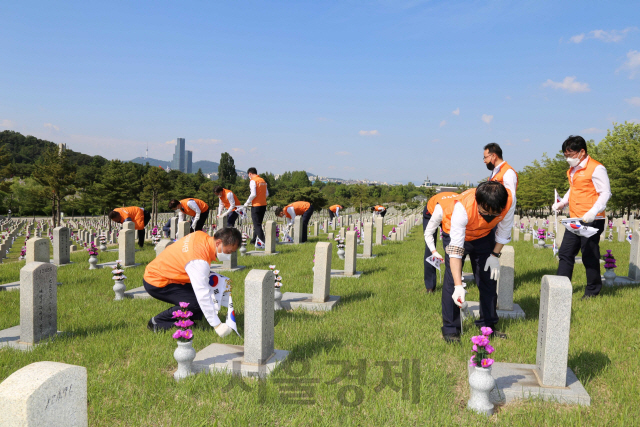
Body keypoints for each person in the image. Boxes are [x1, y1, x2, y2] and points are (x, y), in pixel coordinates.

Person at [424, 181, 515, 343]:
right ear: (478, 202)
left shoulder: (509, 200)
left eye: (494, 214)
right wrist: (459, 286)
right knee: (452, 281)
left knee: (488, 280)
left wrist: (495, 255)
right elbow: (456, 251)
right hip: (457, 236)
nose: (489, 217)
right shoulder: (462, 208)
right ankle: (451, 329)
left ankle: (488, 326)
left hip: (484, 236)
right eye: (484, 212)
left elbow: (504, 230)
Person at [143, 227, 242, 336]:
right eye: (228, 251)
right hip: (157, 281)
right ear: (218, 242)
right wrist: (217, 325)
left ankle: (188, 320)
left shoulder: (201, 235)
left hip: (167, 274)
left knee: (206, 293)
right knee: (195, 303)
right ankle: (158, 321)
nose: (229, 255)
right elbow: (202, 295)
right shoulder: (198, 261)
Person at [552, 135, 611, 300]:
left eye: (571, 154)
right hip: (575, 219)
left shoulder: (596, 168)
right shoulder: (572, 170)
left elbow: (605, 192)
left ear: (582, 152)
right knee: (565, 253)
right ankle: (560, 289)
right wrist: (563, 202)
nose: (568, 158)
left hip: (592, 219)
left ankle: (592, 291)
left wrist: (593, 211)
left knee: (589, 254)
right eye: (566, 155)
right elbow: (574, 189)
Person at [423, 192, 461, 293]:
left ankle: (453, 282)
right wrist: (434, 251)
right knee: (429, 248)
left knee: (455, 247)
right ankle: (430, 286)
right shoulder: (439, 211)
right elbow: (428, 233)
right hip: (432, 211)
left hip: (448, 209)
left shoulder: (463, 209)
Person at [243, 167, 269, 245]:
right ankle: (253, 240)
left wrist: (247, 203)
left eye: (249, 175)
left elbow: (253, 194)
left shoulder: (253, 181)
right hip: (263, 204)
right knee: (258, 224)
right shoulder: (263, 180)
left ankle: (264, 242)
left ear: (250, 174)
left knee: (256, 225)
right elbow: (267, 194)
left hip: (256, 205)